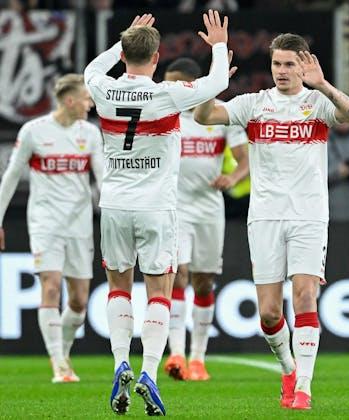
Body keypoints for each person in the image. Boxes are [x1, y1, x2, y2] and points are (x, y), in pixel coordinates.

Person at [194, 33, 349, 410]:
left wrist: (324, 85)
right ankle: (288, 368)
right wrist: (213, 83)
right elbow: (204, 116)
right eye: (277, 64)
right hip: (265, 216)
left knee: (304, 295)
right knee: (269, 313)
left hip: (309, 214)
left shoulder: (317, 103)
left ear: (304, 65)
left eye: (289, 64)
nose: (282, 71)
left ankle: (303, 386)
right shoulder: (254, 104)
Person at [83, 11, 230, 415]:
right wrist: (218, 44)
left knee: (118, 287)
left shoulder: (104, 88)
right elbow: (218, 82)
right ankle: (149, 371)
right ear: (156, 58)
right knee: (159, 292)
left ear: (123, 54)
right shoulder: (167, 95)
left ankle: (121, 362)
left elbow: (91, 68)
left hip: (114, 205)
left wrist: (124, 41)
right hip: (157, 207)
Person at [0, 73, 103, 383]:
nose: (90, 104)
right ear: (70, 101)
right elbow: (11, 176)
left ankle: (64, 353)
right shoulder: (33, 131)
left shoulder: (91, 133)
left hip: (80, 223)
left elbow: (103, 179)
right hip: (45, 221)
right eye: (86, 99)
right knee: (51, 286)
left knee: (79, 301)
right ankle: (59, 363)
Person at [162, 57, 249, 381]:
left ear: (190, 84)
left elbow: (245, 160)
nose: (167, 88)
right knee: (178, 275)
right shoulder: (164, 114)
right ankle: (176, 354)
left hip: (210, 208)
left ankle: (198, 358)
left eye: (173, 83)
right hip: (174, 207)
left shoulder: (220, 114)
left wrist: (233, 177)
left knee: (204, 281)